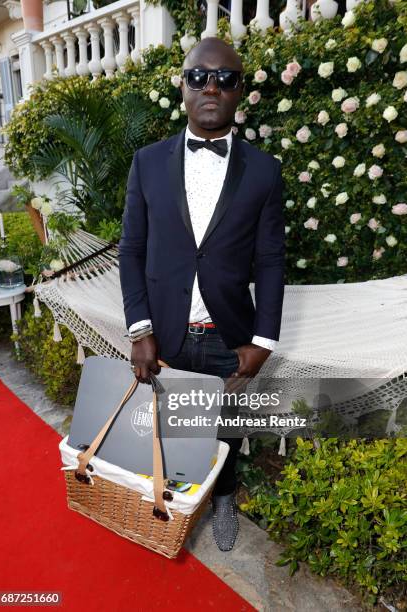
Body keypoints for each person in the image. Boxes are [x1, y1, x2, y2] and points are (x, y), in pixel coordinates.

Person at [118, 36, 285, 551]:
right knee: (170, 426)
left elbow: (271, 261)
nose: (211, 86)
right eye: (199, 76)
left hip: (229, 335)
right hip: (165, 334)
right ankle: (172, 495)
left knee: (226, 430)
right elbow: (132, 251)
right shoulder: (147, 162)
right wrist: (141, 329)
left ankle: (224, 498)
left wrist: (264, 341)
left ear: (240, 91)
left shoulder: (264, 170)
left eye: (225, 78)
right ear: (183, 86)